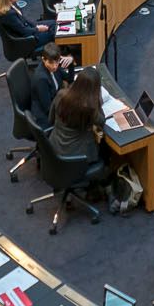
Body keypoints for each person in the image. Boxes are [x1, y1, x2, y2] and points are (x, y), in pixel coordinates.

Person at [45, 69, 115, 206]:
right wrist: (97, 101)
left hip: (54, 150)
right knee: (105, 150)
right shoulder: (89, 108)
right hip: (76, 157)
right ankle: (99, 186)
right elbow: (102, 121)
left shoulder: (61, 95)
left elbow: (50, 120)